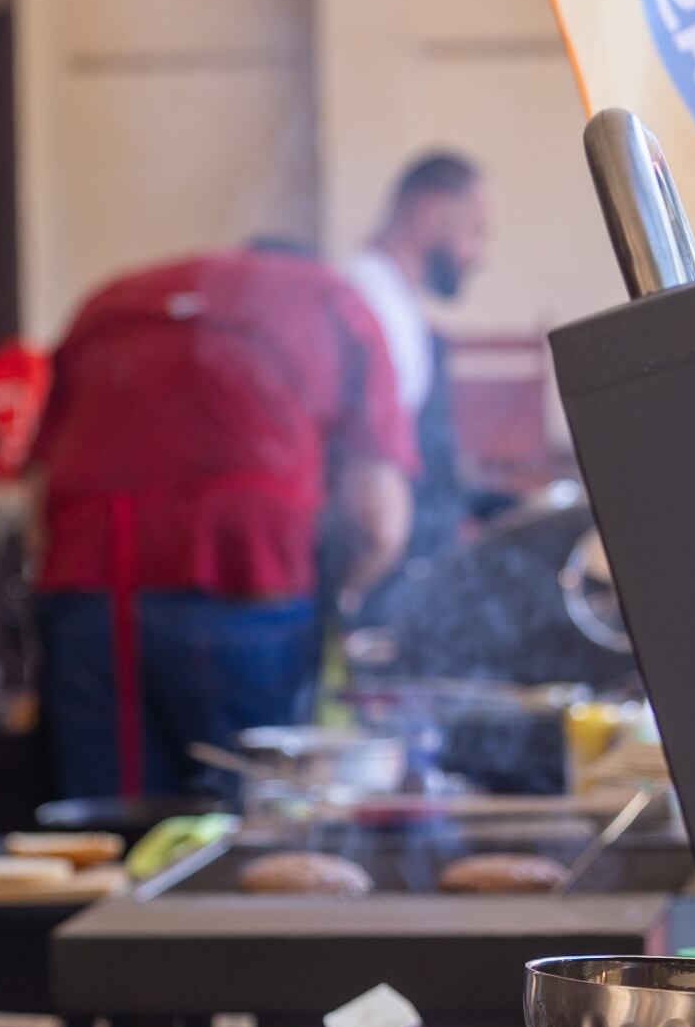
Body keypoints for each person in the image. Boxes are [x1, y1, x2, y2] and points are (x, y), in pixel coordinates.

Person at [31, 248, 414, 801]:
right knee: (248, 840)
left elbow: (39, 501)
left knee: (106, 840)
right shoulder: (338, 303)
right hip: (249, 596)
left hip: (89, 608)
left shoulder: (110, 303)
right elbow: (378, 523)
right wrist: (346, 600)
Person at [343, 151, 500, 565]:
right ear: (431, 215)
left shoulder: (394, 298)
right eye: (475, 231)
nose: (478, 255)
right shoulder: (371, 301)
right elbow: (370, 472)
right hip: (399, 576)